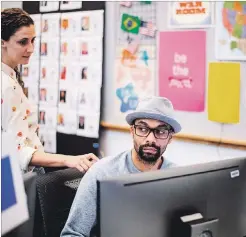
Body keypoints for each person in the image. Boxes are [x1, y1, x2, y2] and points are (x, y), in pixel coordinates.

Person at [61, 96, 181, 237]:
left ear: (170, 138)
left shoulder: (178, 179)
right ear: (132, 132)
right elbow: (71, 234)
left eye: (160, 131)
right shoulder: (102, 173)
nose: (150, 139)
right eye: (142, 129)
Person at [1, 8, 98, 173]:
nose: (31, 48)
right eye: (23, 42)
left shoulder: (12, 77)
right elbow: (17, 151)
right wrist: (69, 160)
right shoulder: (6, 85)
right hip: (9, 180)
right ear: (3, 41)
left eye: (33, 41)